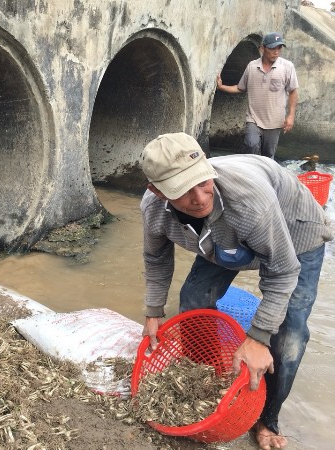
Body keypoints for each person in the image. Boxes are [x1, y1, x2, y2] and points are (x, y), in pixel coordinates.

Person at [139, 132, 333, 450]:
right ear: (156, 191)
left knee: (288, 337)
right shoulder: (153, 210)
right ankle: (213, 377)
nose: (200, 197)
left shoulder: (248, 202)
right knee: (193, 301)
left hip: (295, 231)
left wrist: (258, 338)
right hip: (223, 238)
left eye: (203, 182)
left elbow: (282, 271)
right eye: (183, 191)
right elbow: (156, 257)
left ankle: (267, 419)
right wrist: (154, 310)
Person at [216, 32, 299, 159]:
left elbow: (293, 91)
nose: (276, 52)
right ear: (262, 48)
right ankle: (249, 175)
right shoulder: (252, 66)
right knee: (251, 145)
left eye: (279, 48)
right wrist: (222, 87)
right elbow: (240, 88)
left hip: (275, 122)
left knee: (268, 156)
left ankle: (265, 177)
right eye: (272, 48)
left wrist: (291, 116)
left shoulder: (287, 67)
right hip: (253, 119)